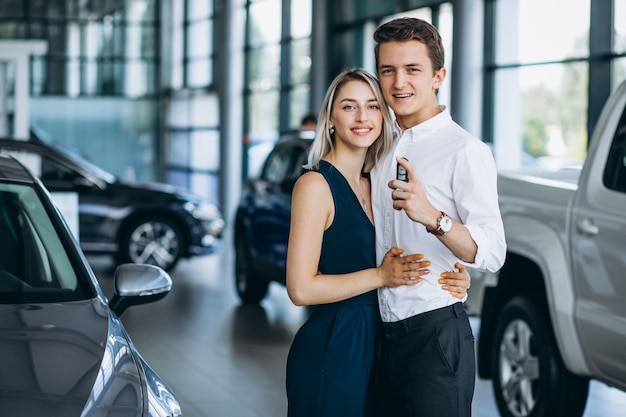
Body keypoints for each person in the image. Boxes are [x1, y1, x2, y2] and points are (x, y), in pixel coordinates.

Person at [284, 68, 471, 417]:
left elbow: (407, 254)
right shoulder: (315, 186)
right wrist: (381, 276)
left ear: (384, 118)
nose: (362, 118)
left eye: (372, 106)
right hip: (334, 346)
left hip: (383, 345)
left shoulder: (379, 184)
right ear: (330, 119)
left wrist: (453, 279)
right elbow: (300, 289)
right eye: (349, 107)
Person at [369, 17, 507, 417]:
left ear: (438, 76)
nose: (399, 83)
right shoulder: (378, 145)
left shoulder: (465, 150)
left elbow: (493, 250)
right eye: (388, 70)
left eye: (412, 69)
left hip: (434, 335)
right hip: (378, 333)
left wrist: (434, 218)